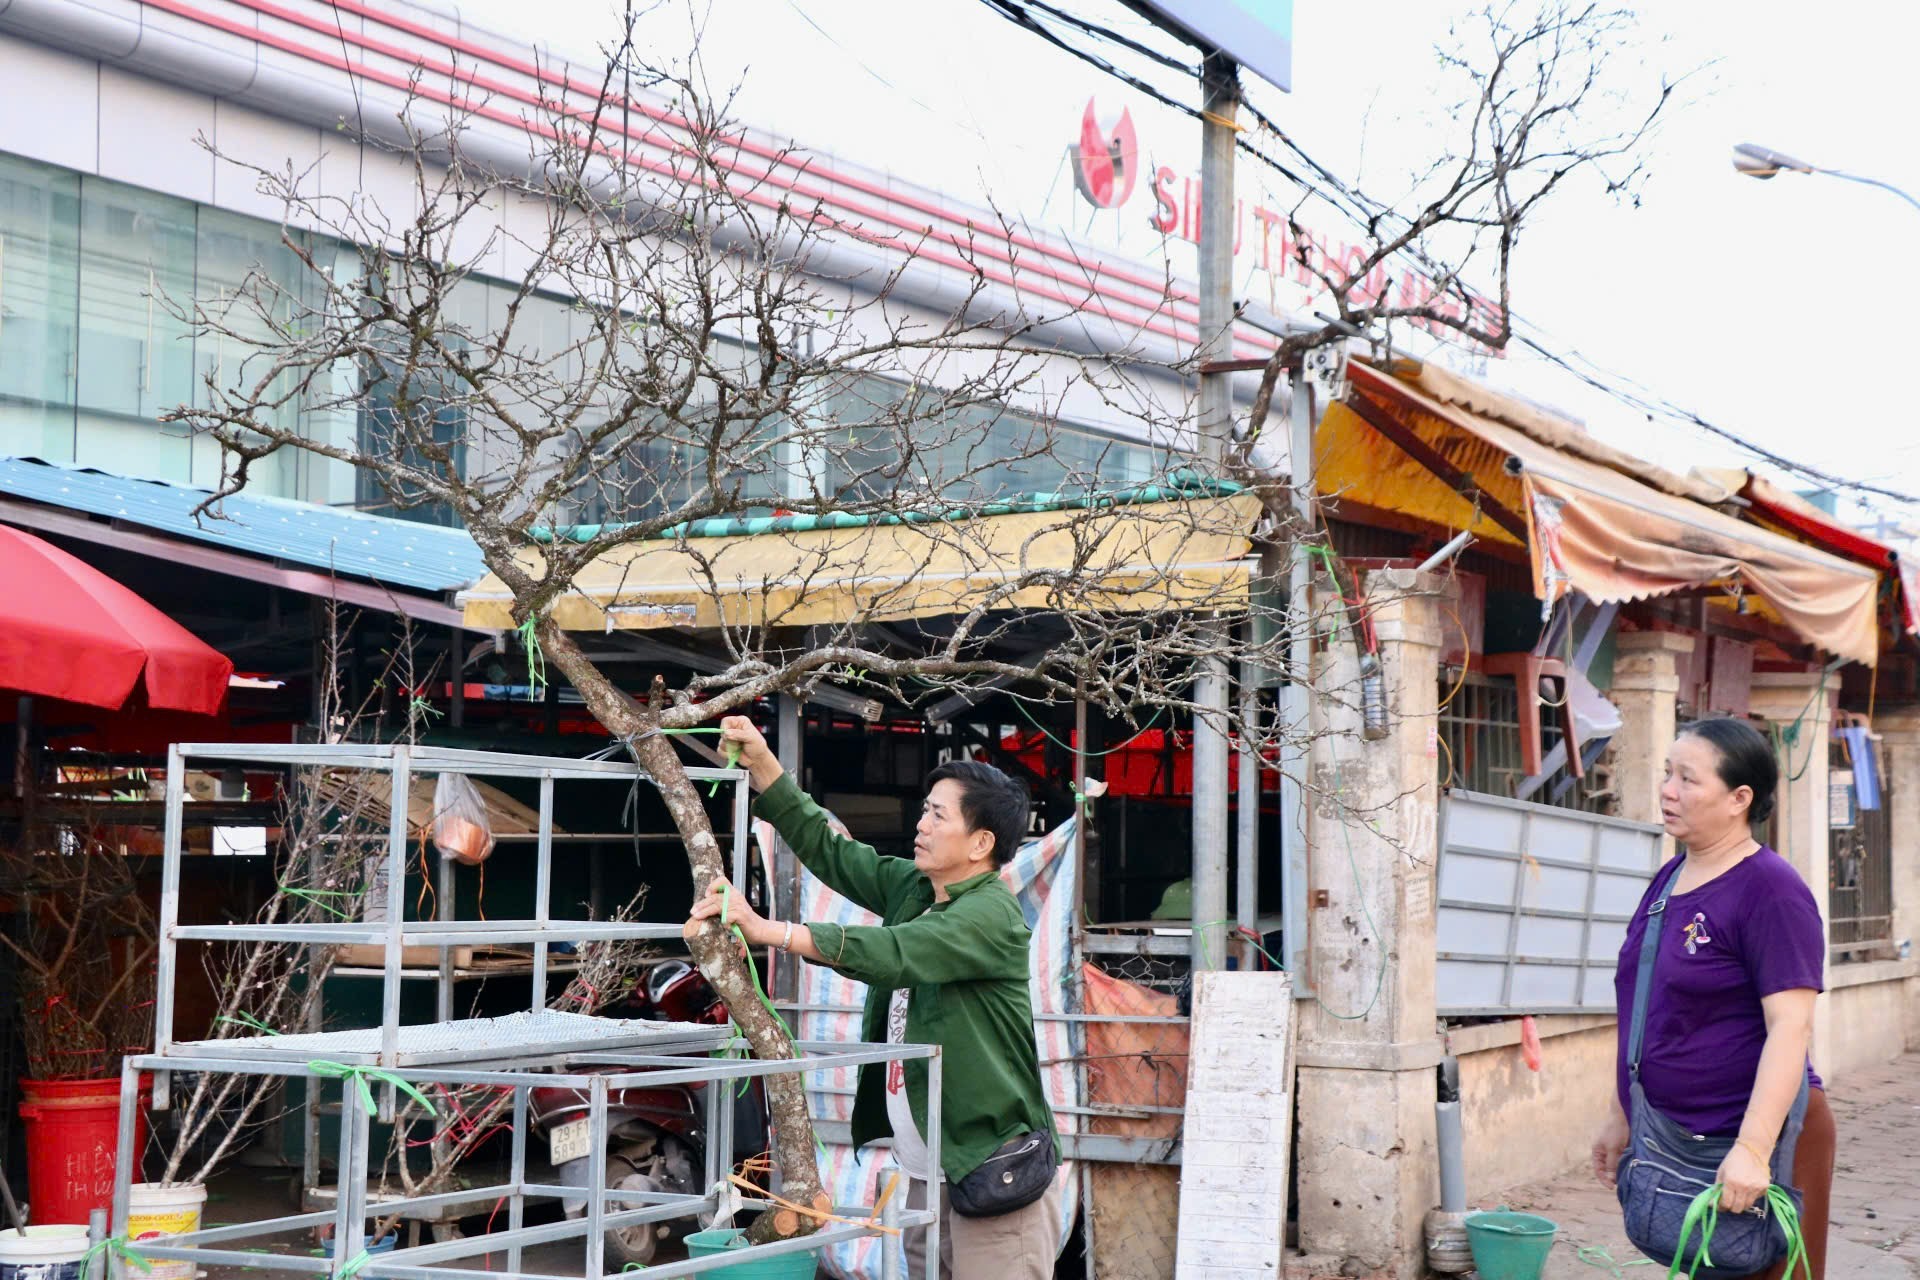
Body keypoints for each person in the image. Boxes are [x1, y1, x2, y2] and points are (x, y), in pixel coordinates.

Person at [687, 715, 1061, 1279]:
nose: (922, 824)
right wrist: (764, 763)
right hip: (928, 1170)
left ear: (981, 842)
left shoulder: (989, 913)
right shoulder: (916, 888)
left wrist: (770, 931)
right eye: (925, 810)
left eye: (939, 815)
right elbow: (835, 852)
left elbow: (895, 951)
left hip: (988, 1169)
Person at [1591, 717, 1832, 1279]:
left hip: (1760, 1132)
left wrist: (1752, 1148)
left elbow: (1790, 1027)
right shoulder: (1670, 879)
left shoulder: (1770, 890)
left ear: (1739, 798)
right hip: (1675, 1131)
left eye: (1688, 779)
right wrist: (1620, 1110)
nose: (1668, 790)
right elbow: (1645, 1007)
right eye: (1667, 773)